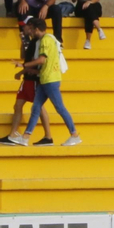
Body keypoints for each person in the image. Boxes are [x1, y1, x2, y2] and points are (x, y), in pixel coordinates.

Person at [5, 14, 81, 147]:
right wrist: (30, 71)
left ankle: (74, 135)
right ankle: (25, 137)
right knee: (35, 108)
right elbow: (46, 64)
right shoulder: (47, 39)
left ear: (36, 29)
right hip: (44, 79)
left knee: (60, 108)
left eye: (31, 29)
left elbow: (41, 60)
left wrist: (23, 65)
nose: (30, 32)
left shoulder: (45, 40)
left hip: (50, 80)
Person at [7, 23, 54, 146]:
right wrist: (22, 42)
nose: (24, 29)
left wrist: (22, 70)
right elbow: (24, 57)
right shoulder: (32, 41)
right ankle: (13, 134)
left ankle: (48, 136)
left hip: (33, 79)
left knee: (39, 107)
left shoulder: (38, 42)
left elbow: (35, 61)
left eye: (26, 27)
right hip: (27, 78)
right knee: (18, 105)